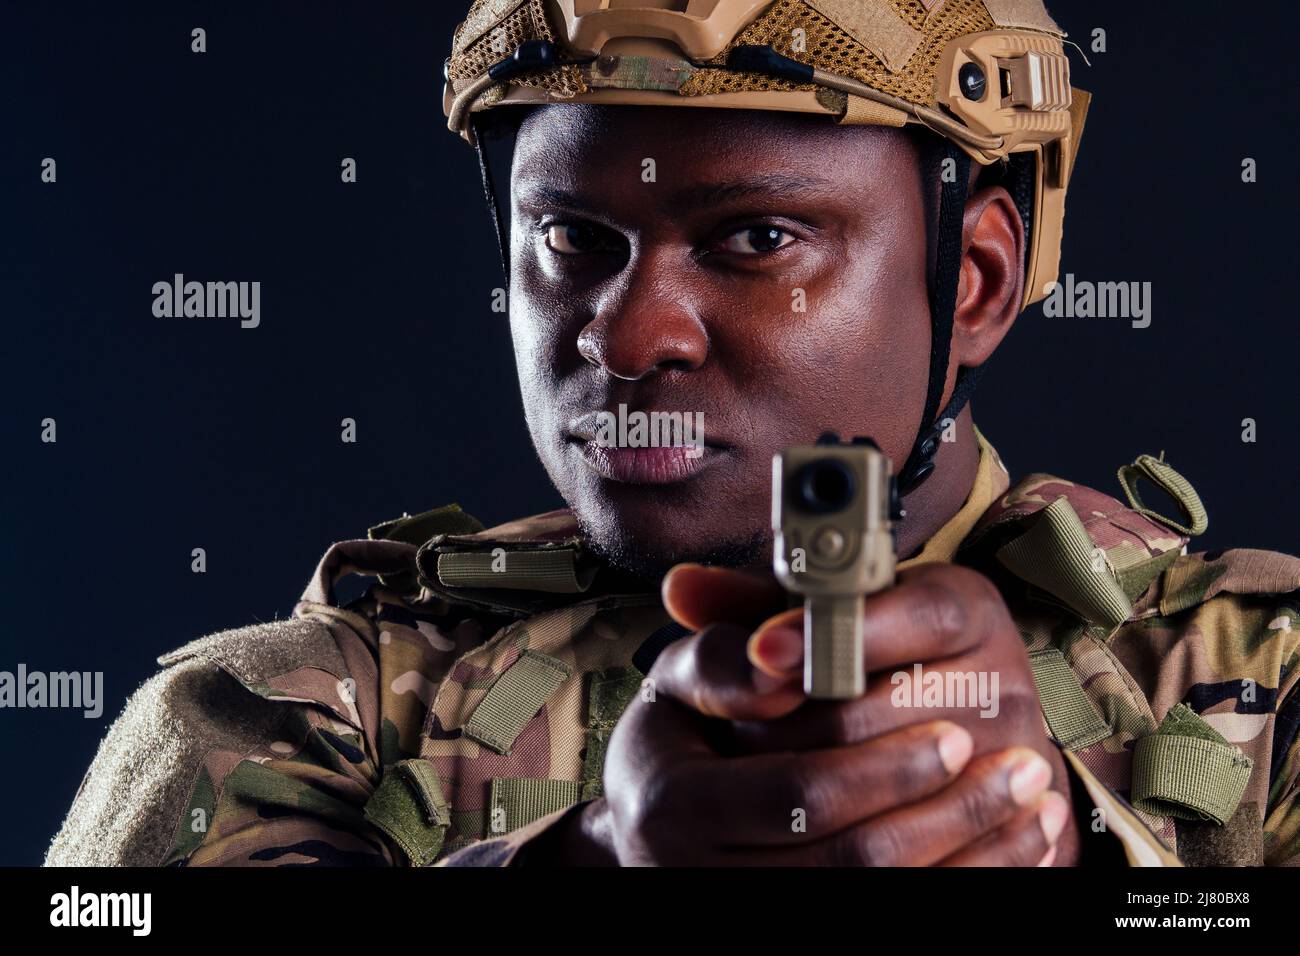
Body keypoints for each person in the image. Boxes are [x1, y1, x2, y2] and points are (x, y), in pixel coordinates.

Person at [46, 0, 1300, 867]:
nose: (629, 334)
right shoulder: (295, 709)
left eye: (755, 237)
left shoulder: (1268, 680)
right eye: (571, 240)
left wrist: (1063, 844)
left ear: (970, 282)